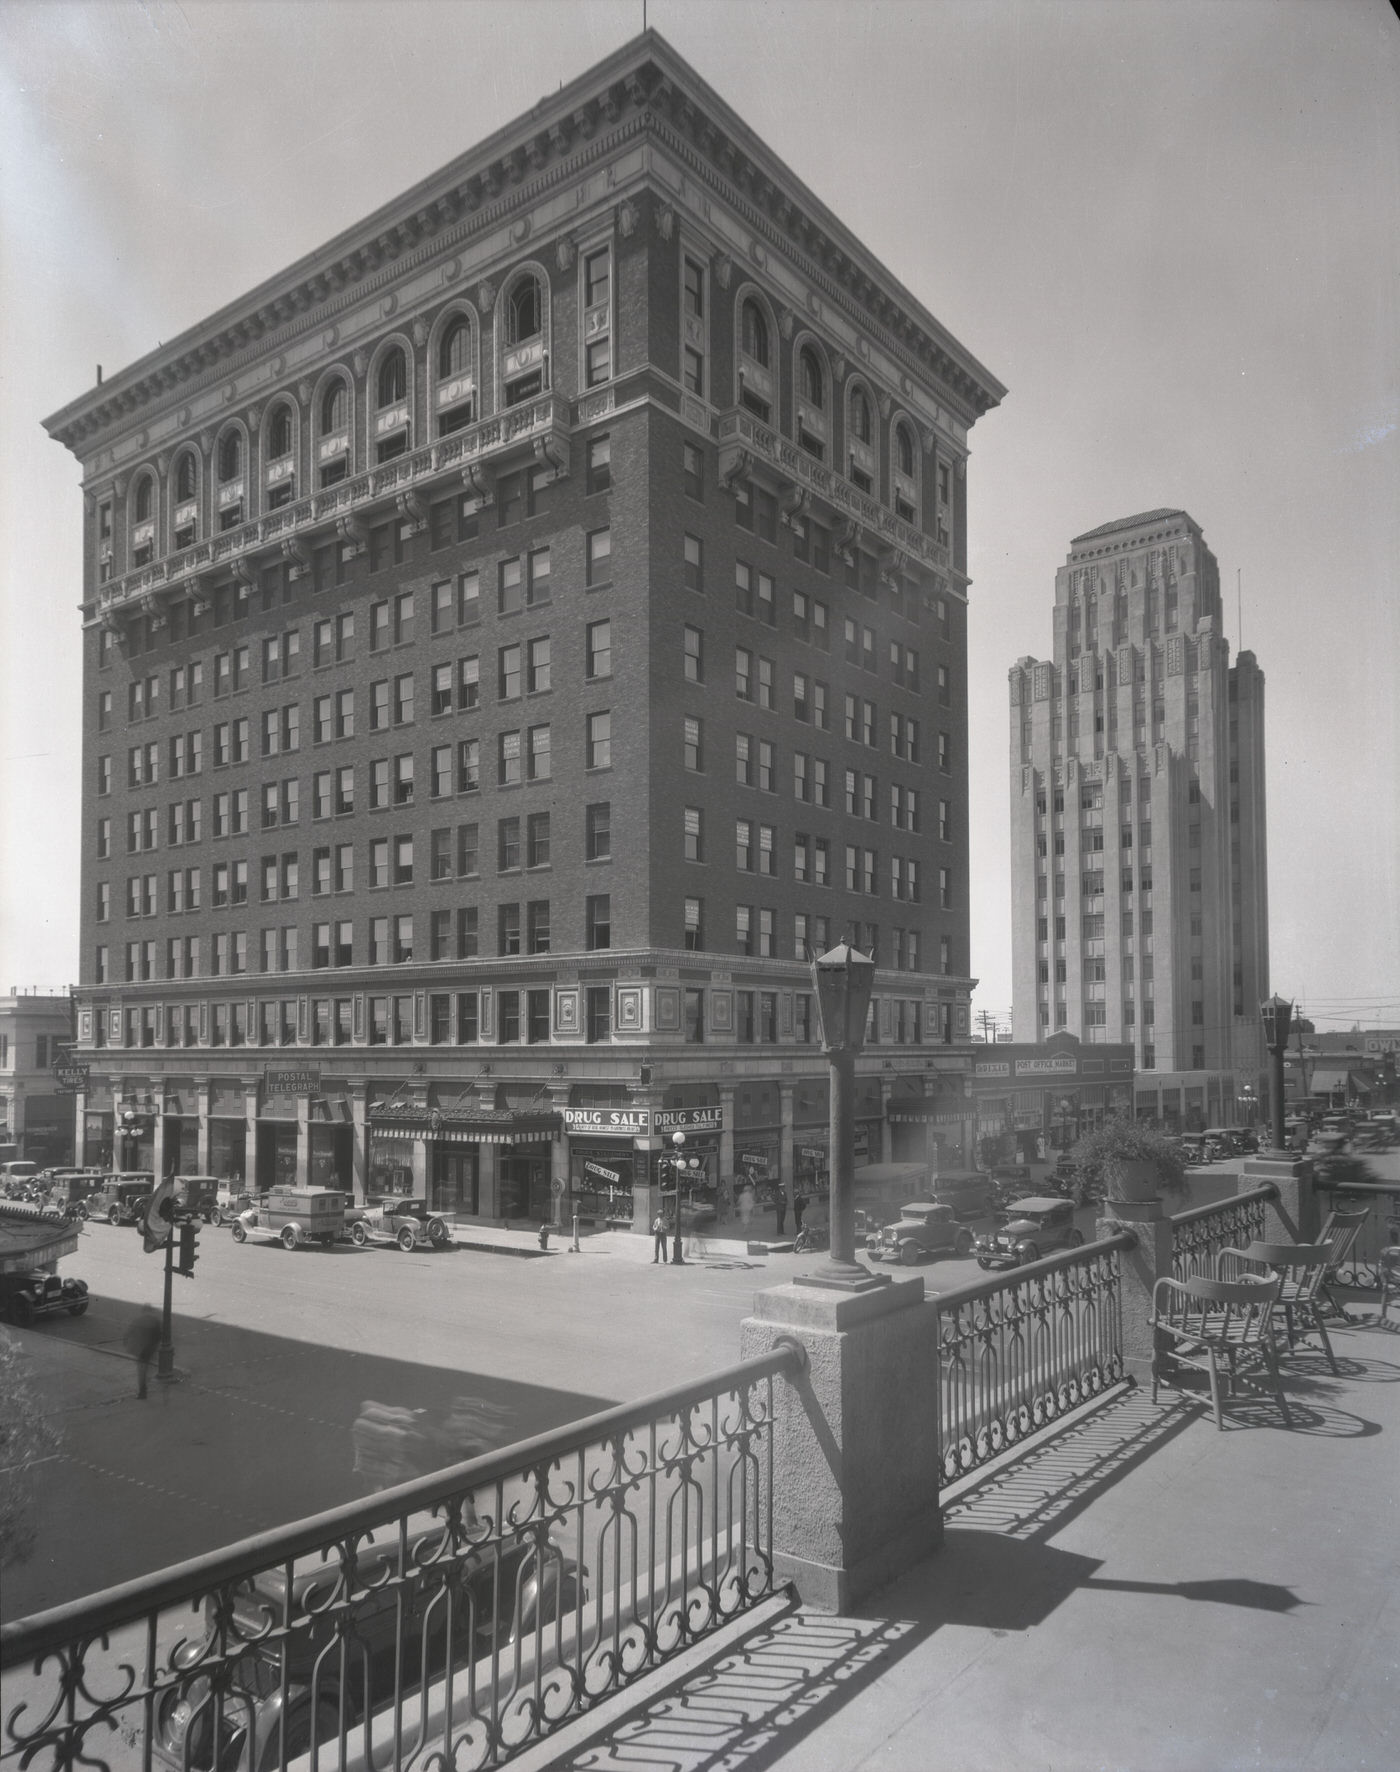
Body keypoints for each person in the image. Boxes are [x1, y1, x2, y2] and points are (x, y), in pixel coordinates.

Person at [123, 1306, 162, 1400]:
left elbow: (129, 1332)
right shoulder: (155, 1321)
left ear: (144, 1311)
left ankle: (142, 1392)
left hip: (141, 1349)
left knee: (141, 1371)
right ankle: (145, 1384)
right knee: (147, 1369)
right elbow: (159, 1335)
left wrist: (126, 1341)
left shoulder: (138, 1320)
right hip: (150, 1349)